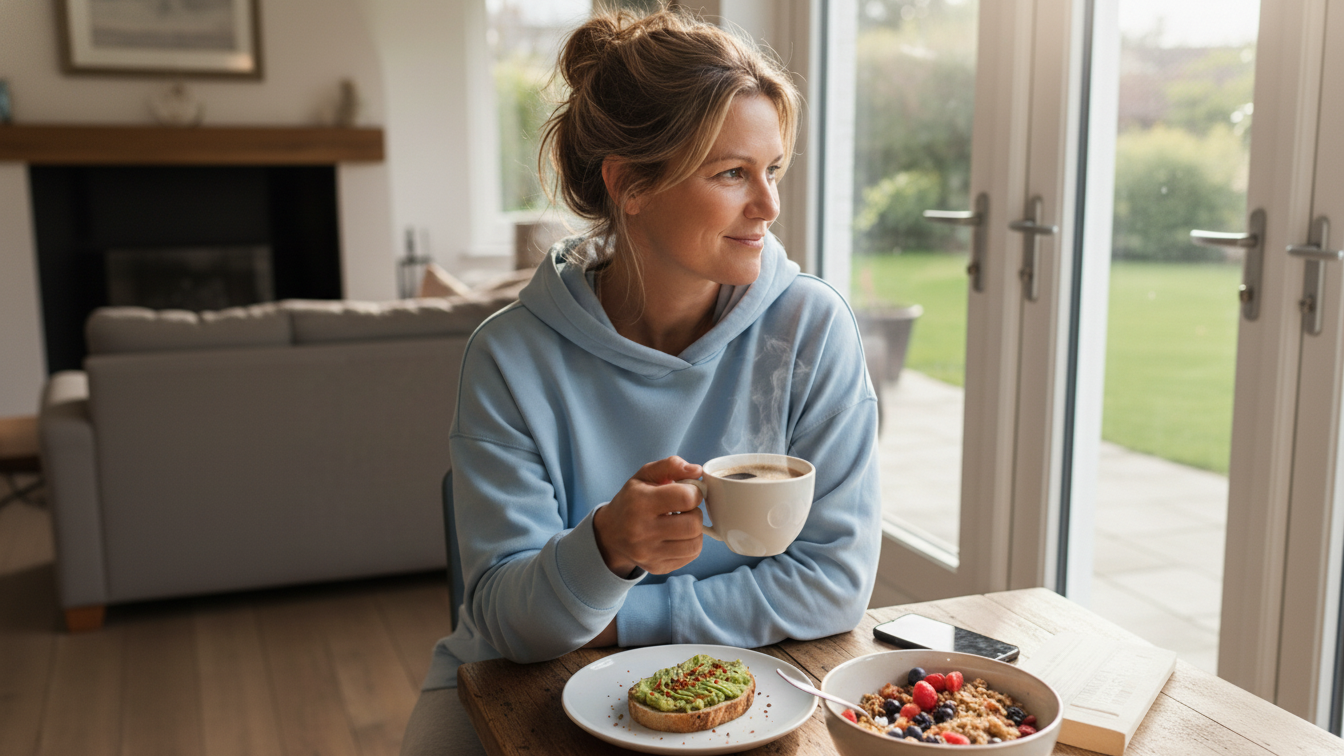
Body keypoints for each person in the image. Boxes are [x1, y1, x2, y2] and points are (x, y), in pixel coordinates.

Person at [400, 7, 880, 754]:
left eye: (773, 170)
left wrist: (614, 611)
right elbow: (507, 623)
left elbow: (833, 587)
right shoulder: (510, 358)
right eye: (732, 174)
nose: (770, 205)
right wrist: (605, 548)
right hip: (509, 688)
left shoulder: (811, 330)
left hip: (755, 685)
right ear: (631, 185)